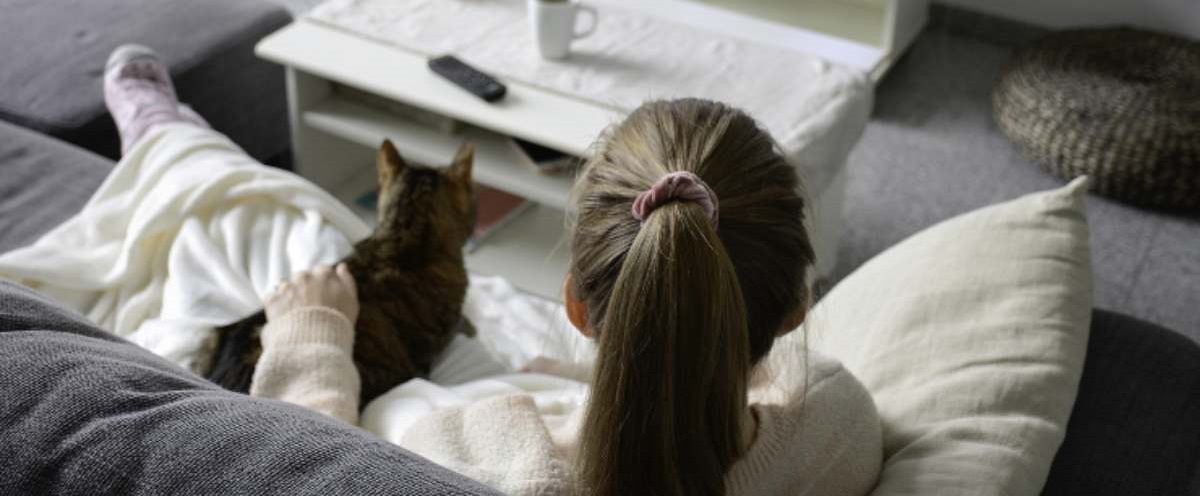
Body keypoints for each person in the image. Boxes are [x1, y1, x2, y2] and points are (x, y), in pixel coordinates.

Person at [101, 46, 881, 495]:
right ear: (795, 310)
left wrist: (313, 345)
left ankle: (167, 138)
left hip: (385, 372)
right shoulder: (835, 425)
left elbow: (309, 470)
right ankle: (169, 138)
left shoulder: (459, 450)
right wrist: (625, 371)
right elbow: (769, 391)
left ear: (574, 305)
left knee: (272, 233)